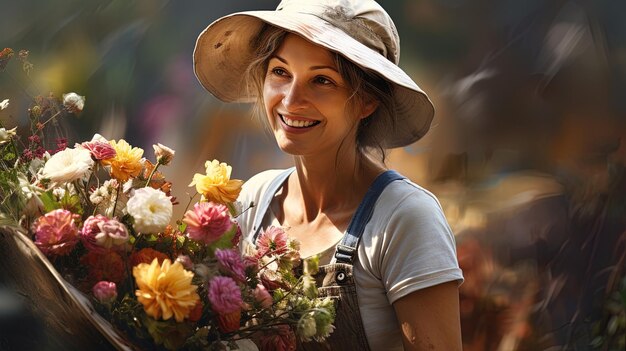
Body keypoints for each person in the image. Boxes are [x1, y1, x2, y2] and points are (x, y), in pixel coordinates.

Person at [193, 0, 464, 349]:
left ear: (367, 101)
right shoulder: (253, 200)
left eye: (322, 80)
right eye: (280, 72)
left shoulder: (405, 218)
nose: (291, 100)